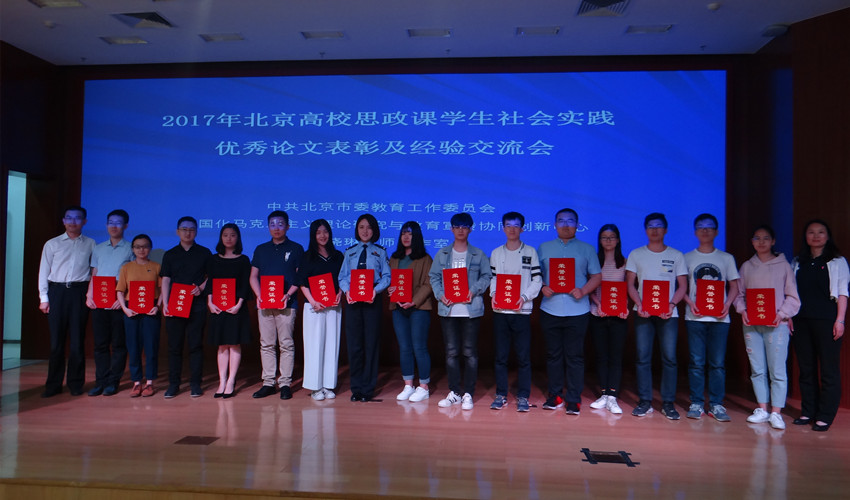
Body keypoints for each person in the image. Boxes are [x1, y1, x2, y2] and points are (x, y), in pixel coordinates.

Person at [734, 225, 800, 430]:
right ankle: (762, 409)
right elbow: (738, 294)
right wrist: (743, 310)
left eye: (765, 238)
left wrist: (782, 314)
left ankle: (776, 412)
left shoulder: (784, 266)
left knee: (777, 369)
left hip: (777, 325)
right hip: (752, 325)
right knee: (757, 369)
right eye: (757, 238)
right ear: (752, 242)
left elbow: (793, 296)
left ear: (773, 241)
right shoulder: (747, 266)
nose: (761, 242)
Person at [537, 208, 601, 415]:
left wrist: (583, 290)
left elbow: (596, 276)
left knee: (575, 357)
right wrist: (542, 287)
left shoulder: (587, 249)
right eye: (561, 221)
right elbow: (535, 275)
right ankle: (555, 396)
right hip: (550, 308)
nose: (565, 225)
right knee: (553, 355)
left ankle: (573, 399)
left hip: (577, 310)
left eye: (570, 221)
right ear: (555, 224)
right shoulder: (544, 248)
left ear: (577, 225)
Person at [625, 213, 688, 419]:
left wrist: (671, 304)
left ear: (666, 230)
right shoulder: (636, 254)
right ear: (645, 230)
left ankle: (668, 403)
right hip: (643, 312)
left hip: (668, 313)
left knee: (669, 358)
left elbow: (682, 286)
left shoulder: (676, 255)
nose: (654, 230)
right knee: (643, 358)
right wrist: (639, 304)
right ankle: (645, 401)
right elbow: (630, 284)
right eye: (650, 226)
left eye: (658, 226)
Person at [790, 219, 849, 432]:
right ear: (805, 236)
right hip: (801, 320)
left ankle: (825, 415)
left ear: (828, 236)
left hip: (827, 321)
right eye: (811, 232)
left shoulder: (837, 261)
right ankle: (808, 411)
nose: (816, 236)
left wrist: (840, 320)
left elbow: (843, 292)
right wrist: (789, 316)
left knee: (828, 370)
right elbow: (790, 292)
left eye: (821, 232)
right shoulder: (798, 261)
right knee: (806, 369)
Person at [430, 212, 492, 411]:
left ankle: (468, 394)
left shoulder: (478, 254)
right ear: (451, 229)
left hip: (470, 310)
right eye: (457, 226)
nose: (460, 230)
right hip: (448, 309)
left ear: (470, 229)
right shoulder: (442, 254)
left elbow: (487, 276)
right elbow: (434, 277)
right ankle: (455, 392)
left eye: (464, 227)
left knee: (470, 353)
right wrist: (440, 295)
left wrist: (473, 290)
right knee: (451, 353)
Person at [682, 214, 740, 422]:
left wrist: (727, 304)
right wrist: (690, 303)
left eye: (709, 227)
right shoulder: (687, 258)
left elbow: (734, 286)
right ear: (695, 232)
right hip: (694, 317)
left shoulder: (726, 258)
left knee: (717, 364)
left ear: (716, 232)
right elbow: (680, 287)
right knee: (696, 363)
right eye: (700, 227)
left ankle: (716, 404)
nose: (705, 230)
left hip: (720, 319)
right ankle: (697, 402)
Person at [37, 205, 96, 397]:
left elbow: (94, 272)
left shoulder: (91, 244)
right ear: (63, 221)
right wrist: (44, 298)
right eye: (69, 218)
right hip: (57, 292)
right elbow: (43, 271)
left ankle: (75, 384)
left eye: (77, 218)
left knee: (78, 341)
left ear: (84, 221)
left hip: (79, 292)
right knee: (56, 342)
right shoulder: (52, 244)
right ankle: (53, 385)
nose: (73, 222)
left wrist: (90, 294)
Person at [489, 212, 542, 412]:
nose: (512, 229)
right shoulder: (496, 253)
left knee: (523, 357)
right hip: (500, 311)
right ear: (503, 228)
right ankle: (501, 394)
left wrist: (524, 297)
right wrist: (493, 293)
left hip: (522, 311)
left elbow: (537, 280)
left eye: (516, 225)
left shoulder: (530, 252)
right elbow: (493, 278)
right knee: (500, 356)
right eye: (508, 225)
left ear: (522, 228)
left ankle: (523, 396)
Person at [249, 211, 304, 400]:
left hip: (287, 303)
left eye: (280, 224)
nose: (276, 228)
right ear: (268, 227)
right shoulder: (261, 249)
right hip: (264, 304)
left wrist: (287, 295)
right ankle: (268, 383)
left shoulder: (296, 248)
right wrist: (259, 295)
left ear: (287, 226)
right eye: (272, 224)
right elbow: (253, 276)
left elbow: (299, 277)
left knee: (286, 343)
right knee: (266, 344)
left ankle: (285, 383)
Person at [339, 214, 391, 402]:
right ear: (357, 230)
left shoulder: (380, 252)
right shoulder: (350, 252)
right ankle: (356, 388)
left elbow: (387, 277)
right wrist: (347, 291)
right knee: (354, 346)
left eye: (369, 227)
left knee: (371, 345)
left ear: (374, 230)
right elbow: (342, 277)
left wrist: (375, 291)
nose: (365, 231)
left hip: (372, 302)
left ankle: (368, 389)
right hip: (353, 303)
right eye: (361, 227)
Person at [160, 216, 211, 398]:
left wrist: (201, 288)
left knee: (195, 345)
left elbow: (211, 277)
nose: (187, 232)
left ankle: (195, 384)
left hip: (197, 305)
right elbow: (165, 279)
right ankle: (174, 384)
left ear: (196, 232)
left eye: (191, 229)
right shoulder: (170, 254)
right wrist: (165, 303)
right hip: (175, 305)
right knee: (174, 346)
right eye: (184, 229)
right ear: (177, 232)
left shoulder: (204, 253)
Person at [85, 209, 133, 396]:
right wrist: (89, 295)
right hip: (99, 301)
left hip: (118, 302)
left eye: (118, 223)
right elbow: (94, 273)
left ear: (125, 226)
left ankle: (113, 382)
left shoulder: (130, 248)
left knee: (119, 344)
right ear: (106, 225)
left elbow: (132, 277)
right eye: (110, 222)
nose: (114, 226)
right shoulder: (98, 248)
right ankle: (100, 381)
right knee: (100, 345)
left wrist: (123, 299)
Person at [298, 219, 344, 400]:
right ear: (313, 235)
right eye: (318, 232)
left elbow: (343, 279)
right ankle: (315, 387)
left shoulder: (338, 256)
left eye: (325, 231)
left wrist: (340, 293)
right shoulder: (307, 256)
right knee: (314, 346)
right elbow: (302, 282)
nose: (322, 235)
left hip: (333, 306)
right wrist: (313, 301)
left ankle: (328, 385)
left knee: (332, 345)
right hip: (314, 307)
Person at [389, 221, 434, 403]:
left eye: (410, 234)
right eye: (403, 233)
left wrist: (413, 301)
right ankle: (408, 385)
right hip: (398, 308)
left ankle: (424, 386)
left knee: (419, 347)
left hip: (418, 308)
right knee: (404, 347)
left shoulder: (425, 259)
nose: (406, 237)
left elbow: (428, 284)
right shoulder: (394, 258)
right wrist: (390, 289)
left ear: (417, 237)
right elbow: (390, 280)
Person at [206, 223, 252, 398]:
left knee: (234, 343)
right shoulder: (213, 259)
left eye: (232, 235)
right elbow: (210, 282)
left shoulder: (243, 260)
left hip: (236, 308)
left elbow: (244, 284)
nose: (229, 238)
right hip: (217, 308)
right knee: (222, 345)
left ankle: (231, 380)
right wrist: (210, 302)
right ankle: (222, 381)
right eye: (225, 235)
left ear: (238, 237)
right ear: (221, 237)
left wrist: (239, 304)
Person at [588, 224, 629, 415]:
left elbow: (628, 288)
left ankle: (612, 396)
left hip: (619, 315)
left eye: (612, 237)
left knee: (615, 357)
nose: (608, 240)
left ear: (618, 240)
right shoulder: (594, 261)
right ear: (600, 240)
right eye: (604, 237)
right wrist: (599, 304)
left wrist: (624, 307)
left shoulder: (625, 262)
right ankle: (603, 394)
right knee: (601, 356)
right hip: (598, 313)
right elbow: (589, 287)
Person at [116, 234, 162, 397]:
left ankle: (149, 382)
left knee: (151, 347)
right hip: (131, 311)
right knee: (133, 347)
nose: (141, 249)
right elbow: (120, 291)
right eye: (137, 246)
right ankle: (136, 382)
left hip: (151, 310)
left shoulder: (156, 267)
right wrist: (125, 309)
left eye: (145, 246)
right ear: (133, 249)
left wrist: (158, 306)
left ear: (150, 248)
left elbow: (162, 290)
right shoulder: (126, 268)